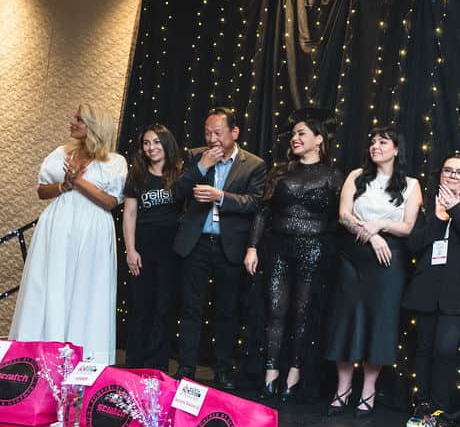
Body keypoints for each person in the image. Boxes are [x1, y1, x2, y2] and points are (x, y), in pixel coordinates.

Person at [9, 104, 127, 364]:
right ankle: (40, 351)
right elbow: (42, 191)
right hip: (57, 225)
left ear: (94, 126)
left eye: (79, 119)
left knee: (85, 286)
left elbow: (110, 202)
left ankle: (81, 355)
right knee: (50, 282)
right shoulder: (60, 153)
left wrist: (78, 181)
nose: (72, 122)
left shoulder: (114, 162)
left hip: (92, 230)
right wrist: (64, 185)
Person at [244, 109, 343, 402]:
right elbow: (262, 211)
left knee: (302, 312)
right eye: (293, 134)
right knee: (275, 309)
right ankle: (271, 370)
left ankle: (296, 371)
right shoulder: (280, 170)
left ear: (319, 139)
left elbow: (341, 217)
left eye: (302, 133)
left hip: (314, 250)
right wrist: (252, 247)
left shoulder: (333, 175)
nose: (295, 138)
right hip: (278, 247)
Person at [323, 124, 422, 417]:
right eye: (373, 142)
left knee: (379, 324)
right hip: (354, 256)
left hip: (388, 262)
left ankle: (368, 390)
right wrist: (371, 235)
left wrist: (381, 226)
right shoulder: (356, 176)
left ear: (396, 149)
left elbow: (407, 227)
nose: (375, 146)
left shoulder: (411, 184)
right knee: (346, 321)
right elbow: (344, 215)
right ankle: (342, 389)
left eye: (383, 142)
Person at [172, 107, 267, 389]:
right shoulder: (195, 156)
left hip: (230, 245)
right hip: (196, 243)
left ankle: (223, 370)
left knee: (227, 311)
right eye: (207, 133)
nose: (212, 139)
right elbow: (177, 193)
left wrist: (221, 196)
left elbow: (255, 203)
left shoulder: (254, 164)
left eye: (218, 133)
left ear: (234, 133)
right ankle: (186, 368)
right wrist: (201, 167)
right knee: (190, 308)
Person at [403, 153, 460, 427]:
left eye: (459, 172)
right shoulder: (427, 204)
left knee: (445, 350)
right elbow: (414, 244)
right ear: (440, 173)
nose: (453, 176)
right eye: (448, 170)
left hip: (459, 292)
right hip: (426, 288)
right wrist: (438, 219)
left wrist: (455, 212)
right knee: (424, 349)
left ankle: (440, 413)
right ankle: (422, 407)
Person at [123, 124, 184, 371]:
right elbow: (129, 213)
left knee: (164, 307)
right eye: (147, 143)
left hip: (172, 249)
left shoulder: (179, 173)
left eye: (157, 142)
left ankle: (156, 366)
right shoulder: (137, 174)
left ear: (167, 144)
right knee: (141, 306)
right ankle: (135, 363)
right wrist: (130, 250)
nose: (151, 148)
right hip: (143, 246)